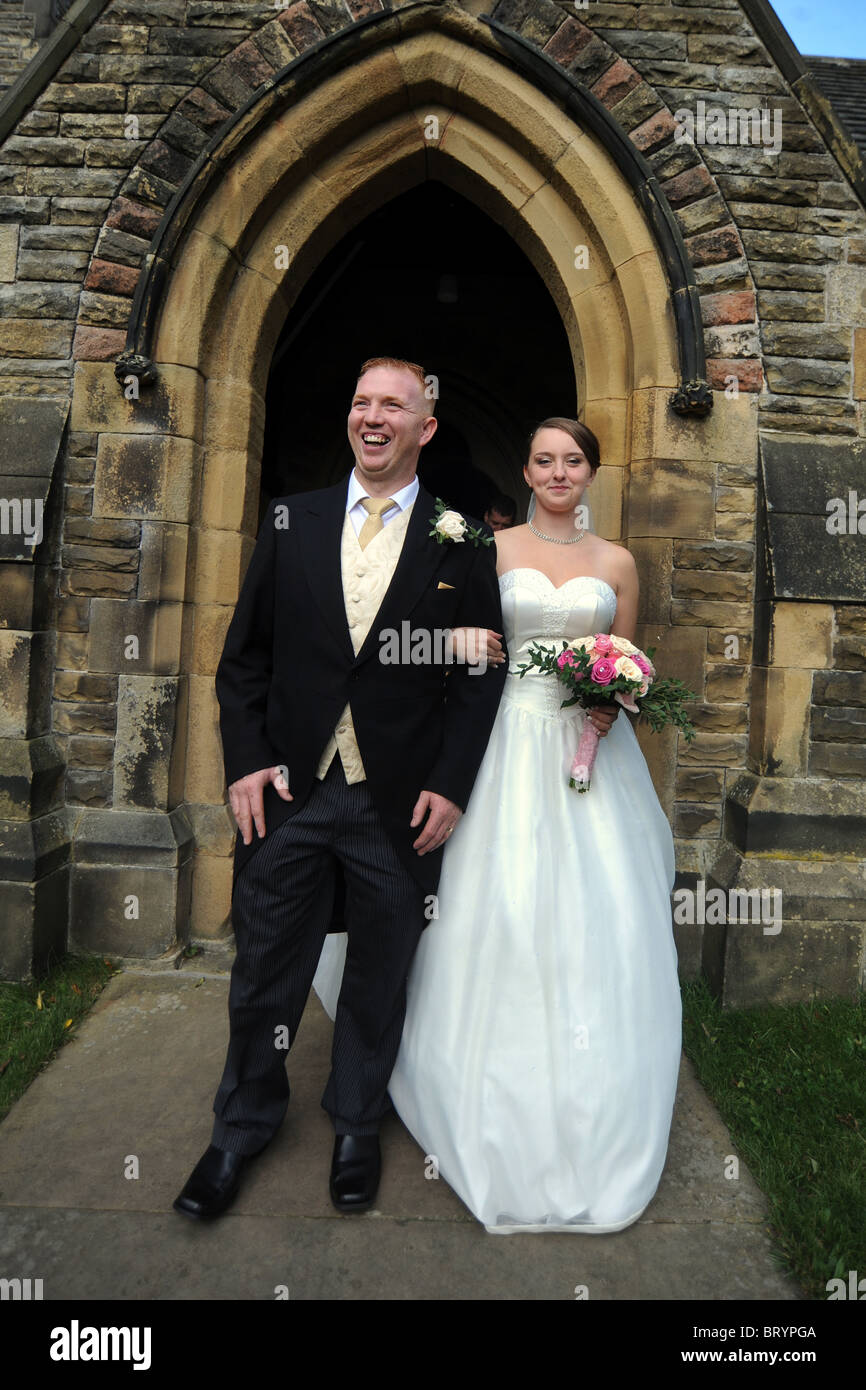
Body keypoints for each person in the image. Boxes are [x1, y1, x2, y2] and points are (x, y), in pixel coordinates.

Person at [315, 416, 682, 1233]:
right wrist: (455, 640)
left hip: (583, 754)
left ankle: (590, 1082)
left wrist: (608, 704)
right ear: (525, 469)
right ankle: (457, 1071)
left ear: (591, 472)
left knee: (594, 918)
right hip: (497, 743)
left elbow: (628, 664)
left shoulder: (617, 562)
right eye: (545, 459)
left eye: (574, 461)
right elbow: (436, 641)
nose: (559, 472)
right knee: (490, 906)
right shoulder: (491, 549)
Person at [173, 357, 507, 1221]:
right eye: (361, 400)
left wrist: (451, 784)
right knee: (264, 970)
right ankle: (239, 1128)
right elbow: (244, 657)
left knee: (380, 970)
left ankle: (357, 1120)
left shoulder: (461, 535)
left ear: (424, 428)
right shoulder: (294, 520)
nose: (372, 416)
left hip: (397, 800)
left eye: (392, 404)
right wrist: (246, 760)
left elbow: (478, 677)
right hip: (290, 788)